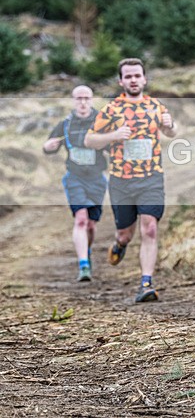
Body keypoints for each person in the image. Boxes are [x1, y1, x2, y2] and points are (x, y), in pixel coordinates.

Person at [84, 58, 177, 303]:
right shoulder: (111, 109)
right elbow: (89, 140)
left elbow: (171, 132)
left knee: (150, 227)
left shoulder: (156, 106)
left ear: (144, 79)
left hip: (151, 177)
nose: (133, 80)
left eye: (137, 75)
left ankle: (146, 283)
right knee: (126, 233)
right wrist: (114, 135)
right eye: (128, 76)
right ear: (121, 81)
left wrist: (170, 126)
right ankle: (119, 243)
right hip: (121, 181)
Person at [43, 85, 108, 282]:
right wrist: (48, 147)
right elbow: (49, 146)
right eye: (78, 98)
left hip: (97, 179)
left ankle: (86, 251)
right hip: (74, 178)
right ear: (73, 100)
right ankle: (84, 266)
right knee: (80, 218)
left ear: (92, 99)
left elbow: (115, 146)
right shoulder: (65, 124)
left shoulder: (101, 123)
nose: (82, 102)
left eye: (86, 98)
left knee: (90, 224)